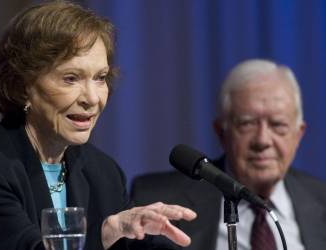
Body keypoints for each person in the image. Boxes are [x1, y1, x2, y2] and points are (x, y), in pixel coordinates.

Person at [0, 2, 197, 250]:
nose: (92, 99)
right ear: (22, 85)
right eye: (71, 78)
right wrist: (108, 231)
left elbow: (131, 243)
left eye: (100, 78)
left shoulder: (102, 172)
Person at [131, 59, 326, 250]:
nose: (262, 140)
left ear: (299, 135)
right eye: (247, 123)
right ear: (221, 132)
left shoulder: (321, 200)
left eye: (278, 125)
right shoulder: (158, 200)